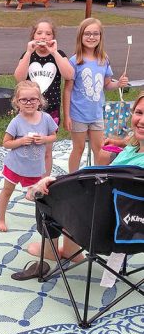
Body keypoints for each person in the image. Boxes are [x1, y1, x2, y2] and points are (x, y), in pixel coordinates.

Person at [14, 91, 144, 279]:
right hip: (132, 229)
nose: (141, 120)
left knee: (51, 195)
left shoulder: (134, 167)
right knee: (77, 192)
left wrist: (52, 183)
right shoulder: (133, 149)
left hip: (103, 231)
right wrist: (120, 143)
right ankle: (68, 250)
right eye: (139, 112)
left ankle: (50, 250)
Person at [63, 17, 128, 173]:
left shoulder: (104, 59)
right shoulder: (74, 61)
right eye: (87, 34)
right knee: (78, 149)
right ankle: (72, 179)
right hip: (78, 114)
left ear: (100, 36)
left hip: (97, 114)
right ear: (81, 36)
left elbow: (107, 84)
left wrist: (118, 84)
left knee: (99, 149)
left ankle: (97, 177)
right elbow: (67, 90)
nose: (91, 37)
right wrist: (67, 116)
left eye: (95, 34)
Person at [13, 18, 74, 176]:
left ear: (53, 37)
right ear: (33, 36)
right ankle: (27, 176)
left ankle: (43, 181)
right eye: (39, 32)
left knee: (46, 150)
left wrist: (54, 51)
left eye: (48, 33)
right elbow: (19, 78)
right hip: (28, 110)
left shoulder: (58, 54)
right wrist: (28, 52)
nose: (43, 36)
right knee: (26, 147)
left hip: (50, 111)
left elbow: (69, 75)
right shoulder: (28, 55)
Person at [0, 81, 57, 232]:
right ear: (17, 102)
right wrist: (21, 141)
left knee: (41, 194)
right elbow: (6, 143)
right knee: (7, 191)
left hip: (35, 167)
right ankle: (0, 218)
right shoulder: (16, 122)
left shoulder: (46, 118)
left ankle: (44, 220)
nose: (29, 103)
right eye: (24, 100)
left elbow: (53, 136)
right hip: (15, 166)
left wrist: (44, 139)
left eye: (33, 99)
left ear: (40, 100)